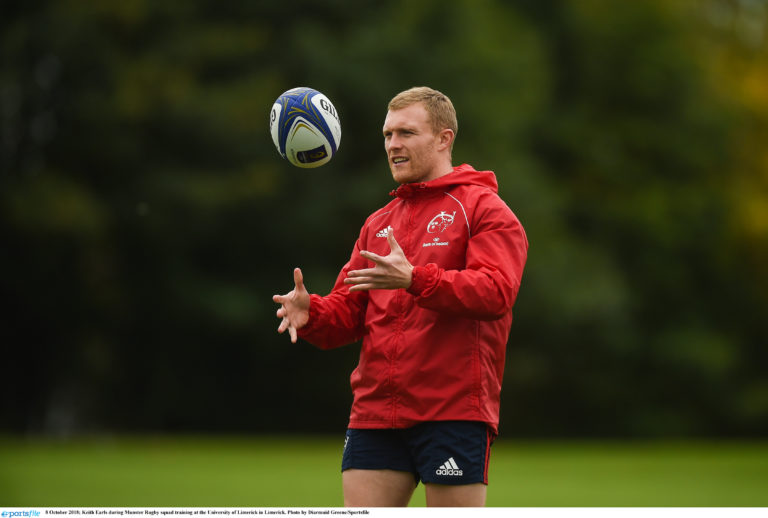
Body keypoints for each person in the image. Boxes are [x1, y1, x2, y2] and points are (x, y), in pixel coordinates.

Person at [273, 86, 528, 507]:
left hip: (452, 411)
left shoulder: (485, 209)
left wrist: (415, 280)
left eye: (406, 133)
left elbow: (495, 292)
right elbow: (350, 312)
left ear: (444, 138)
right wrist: (312, 312)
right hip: (375, 413)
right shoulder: (378, 222)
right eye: (388, 135)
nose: (393, 145)